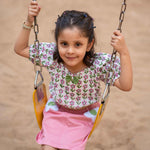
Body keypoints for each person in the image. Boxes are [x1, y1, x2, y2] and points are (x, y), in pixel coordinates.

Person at [14, 1, 133, 150]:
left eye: (78, 44)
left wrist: (123, 52)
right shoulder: (51, 56)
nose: (70, 51)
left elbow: (126, 85)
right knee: (48, 147)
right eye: (64, 44)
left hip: (84, 116)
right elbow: (20, 49)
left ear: (89, 45)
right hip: (55, 112)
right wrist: (29, 22)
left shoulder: (98, 64)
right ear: (57, 42)